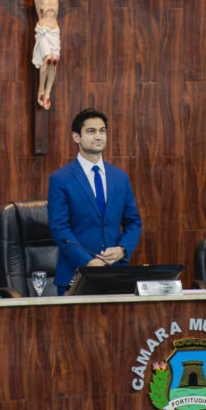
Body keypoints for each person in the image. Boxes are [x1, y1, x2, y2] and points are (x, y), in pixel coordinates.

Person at [48, 108, 142, 294]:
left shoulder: (120, 177)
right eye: (91, 131)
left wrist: (123, 250)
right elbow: (60, 229)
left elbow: (134, 222)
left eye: (102, 130)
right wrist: (87, 262)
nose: (98, 136)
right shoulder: (61, 178)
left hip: (116, 274)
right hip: (75, 276)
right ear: (77, 137)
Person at [0, 0, 102, 110]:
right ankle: (41, 90)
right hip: (43, 31)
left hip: (54, 31)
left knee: (54, 62)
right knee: (47, 59)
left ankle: (47, 94)